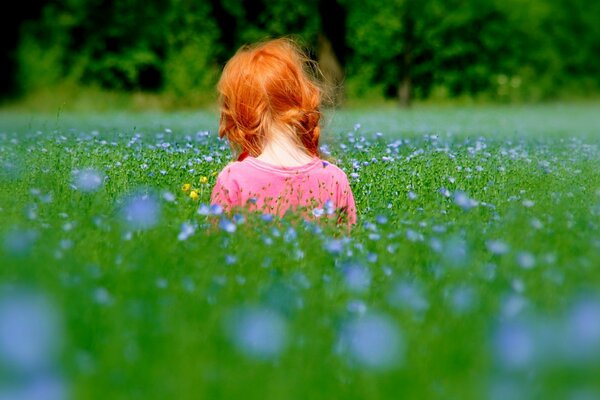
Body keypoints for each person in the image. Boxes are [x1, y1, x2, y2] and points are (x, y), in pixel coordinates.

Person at [210, 37, 356, 227]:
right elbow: (347, 249)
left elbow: (215, 249)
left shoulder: (233, 179)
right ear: (302, 98)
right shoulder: (335, 179)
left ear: (240, 117)